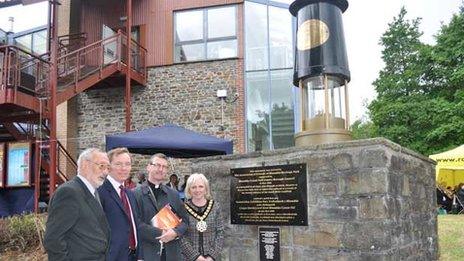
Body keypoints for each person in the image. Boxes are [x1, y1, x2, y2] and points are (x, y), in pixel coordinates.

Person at [44, 148, 111, 260]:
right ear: (85, 165)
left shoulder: (93, 192)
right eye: (101, 166)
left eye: (108, 168)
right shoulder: (68, 192)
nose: (106, 172)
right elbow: (53, 239)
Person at [134, 153, 189, 261]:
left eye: (164, 167)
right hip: (147, 254)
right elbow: (135, 223)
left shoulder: (173, 194)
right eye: (157, 165)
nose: (161, 169)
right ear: (148, 167)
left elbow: (185, 221)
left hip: (172, 254)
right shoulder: (135, 194)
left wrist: (175, 232)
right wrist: (161, 233)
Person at [98, 147, 143, 260]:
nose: (124, 168)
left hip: (133, 256)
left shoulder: (130, 194)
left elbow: (134, 226)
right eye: (118, 164)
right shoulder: (99, 191)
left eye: (127, 164)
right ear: (108, 166)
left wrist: (140, 256)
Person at [181, 173, 224, 261]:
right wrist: (196, 257)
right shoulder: (183, 208)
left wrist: (212, 256)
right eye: (193, 187)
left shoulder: (215, 206)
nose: (197, 190)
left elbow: (220, 232)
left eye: (201, 186)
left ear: (206, 189)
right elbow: (181, 236)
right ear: (189, 190)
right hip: (189, 258)